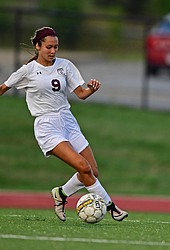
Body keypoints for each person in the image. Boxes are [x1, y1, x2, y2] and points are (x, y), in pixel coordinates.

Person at [0, 26, 128, 222]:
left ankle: (61, 194)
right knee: (83, 168)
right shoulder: (28, 71)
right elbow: (3, 88)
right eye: (48, 47)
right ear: (38, 46)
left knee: (92, 172)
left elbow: (81, 94)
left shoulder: (65, 65)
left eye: (56, 47)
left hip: (68, 121)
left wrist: (91, 89)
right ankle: (112, 207)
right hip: (47, 125)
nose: (52, 51)